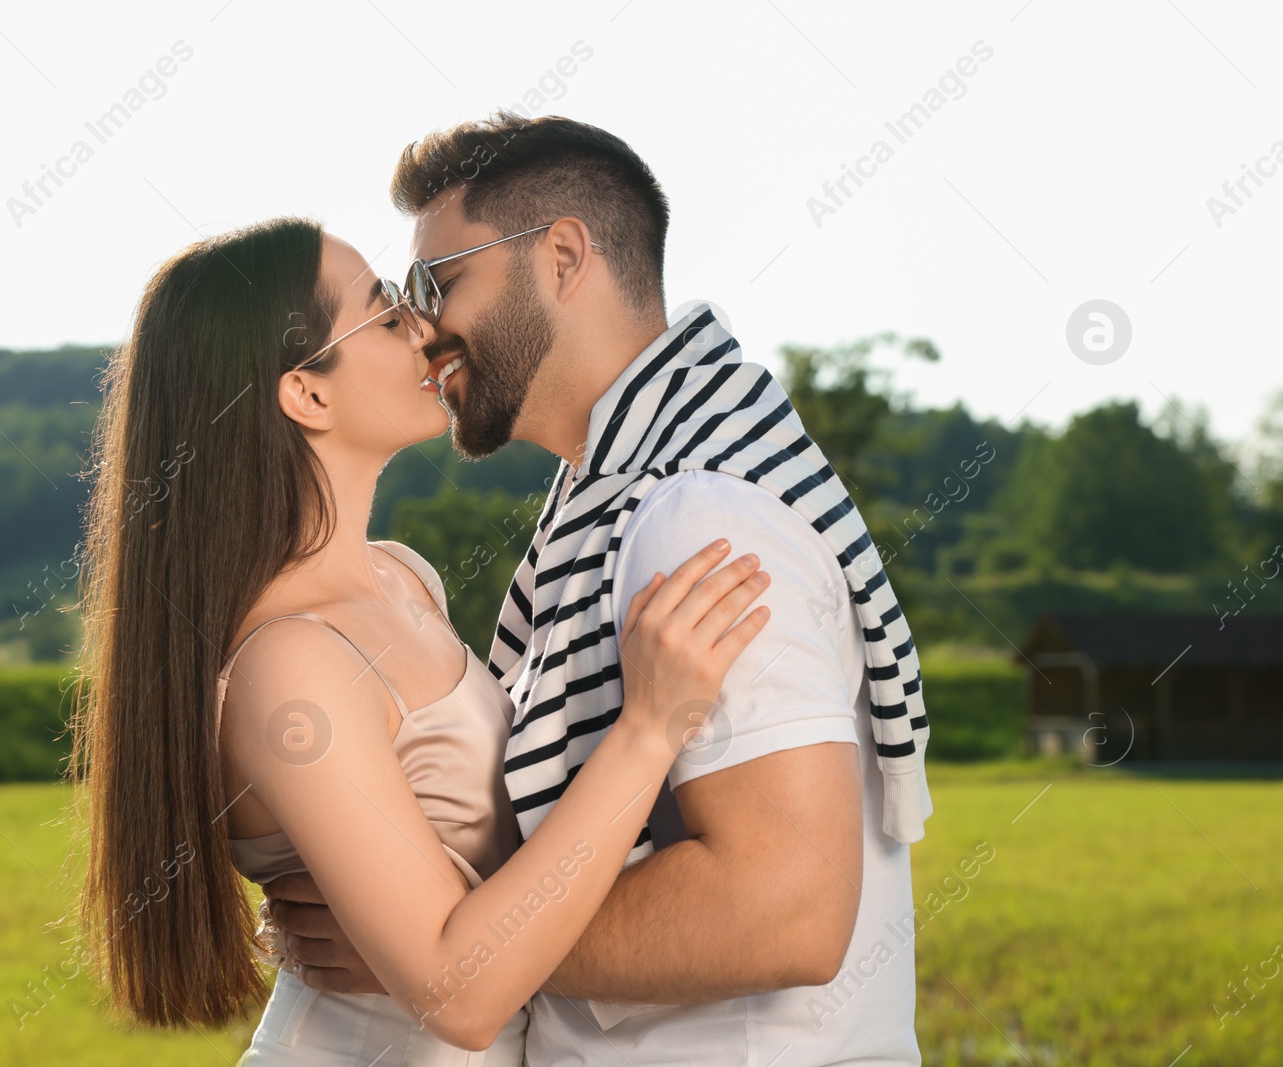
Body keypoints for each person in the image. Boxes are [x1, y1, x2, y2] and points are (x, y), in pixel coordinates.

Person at [261, 114, 934, 1065]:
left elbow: (787, 907)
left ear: (563, 256)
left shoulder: (697, 517)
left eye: (441, 281)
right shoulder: (610, 507)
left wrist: (444, 946)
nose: (427, 326)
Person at [65, 214, 774, 1064]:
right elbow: (461, 993)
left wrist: (416, 932)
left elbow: (467, 897)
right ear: (308, 393)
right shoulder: (292, 664)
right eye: (387, 311)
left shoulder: (401, 577)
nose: (426, 330)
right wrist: (651, 727)